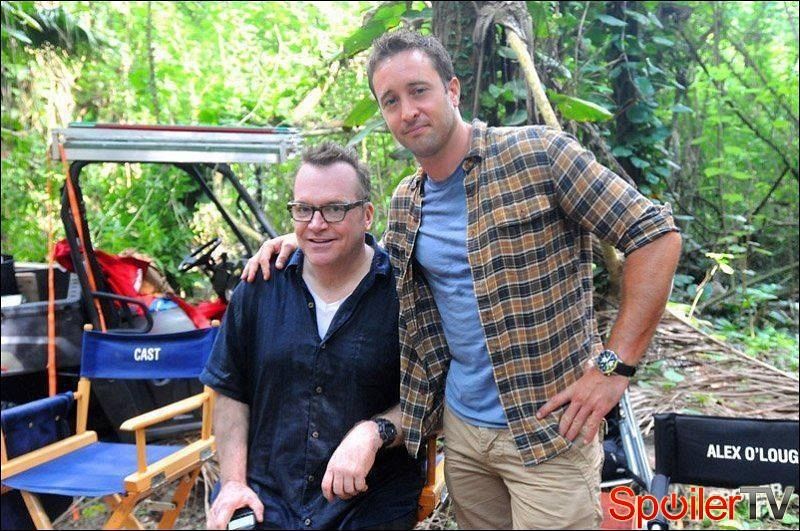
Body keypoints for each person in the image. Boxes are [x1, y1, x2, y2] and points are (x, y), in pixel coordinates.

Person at [243, 30, 682, 529]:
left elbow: (655, 235)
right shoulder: (407, 202)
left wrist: (612, 368)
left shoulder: (539, 155)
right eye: (391, 101)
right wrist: (308, 237)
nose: (408, 111)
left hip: (550, 432)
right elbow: (375, 262)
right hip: (465, 436)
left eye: (419, 90)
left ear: (451, 90)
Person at [202, 142, 424, 530]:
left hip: (367, 500)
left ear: (367, 215)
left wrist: (374, 432)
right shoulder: (261, 285)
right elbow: (230, 389)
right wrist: (234, 482)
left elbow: (429, 399)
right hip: (267, 496)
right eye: (304, 209)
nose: (316, 224)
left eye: (334, 209)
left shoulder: (404, 292)